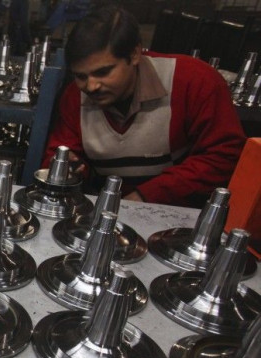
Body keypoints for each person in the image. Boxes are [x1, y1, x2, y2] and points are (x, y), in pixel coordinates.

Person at [42, 5, 246, 207]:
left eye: (103, 72)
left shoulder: (194, 82)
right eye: (81, 76)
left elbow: (223, 154)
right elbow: (63, 153)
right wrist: (69, 167)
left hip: (177, 209)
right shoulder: (74, 96)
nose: (91, 86)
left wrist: (147, 195)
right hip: (108, 205)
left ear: (134, 54)